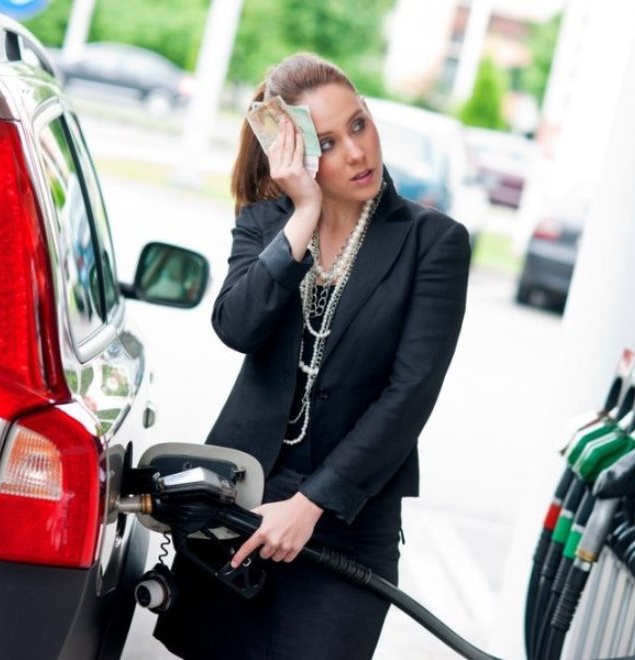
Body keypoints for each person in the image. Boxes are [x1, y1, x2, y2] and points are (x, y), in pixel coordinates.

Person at [154, 52, 471, 659]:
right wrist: (304, 212)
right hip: (241, 508)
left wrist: (311, 504)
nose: (356, 151)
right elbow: (237, 326)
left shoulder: (433, 243)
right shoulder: (265, 224)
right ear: (293, 152)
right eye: (326, 143)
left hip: (348, 523)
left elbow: (409, 395)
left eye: (359, 124)